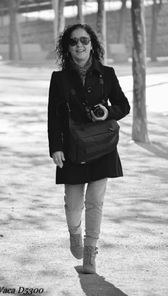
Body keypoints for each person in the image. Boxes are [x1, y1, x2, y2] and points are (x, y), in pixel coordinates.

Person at [47, 23, 130, 274]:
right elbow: (54, 116)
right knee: (73, 205)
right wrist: (56, 147)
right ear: (67, 48)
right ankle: (75, 234)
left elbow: (123, 106)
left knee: (95, 200)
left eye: (84, 40)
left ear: (92, 44)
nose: (79, 45)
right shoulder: (59, 78)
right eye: (73, 42)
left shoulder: (107, 73)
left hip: (101, 145)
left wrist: (107, 113)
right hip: (72, 148)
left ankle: (90, 253)